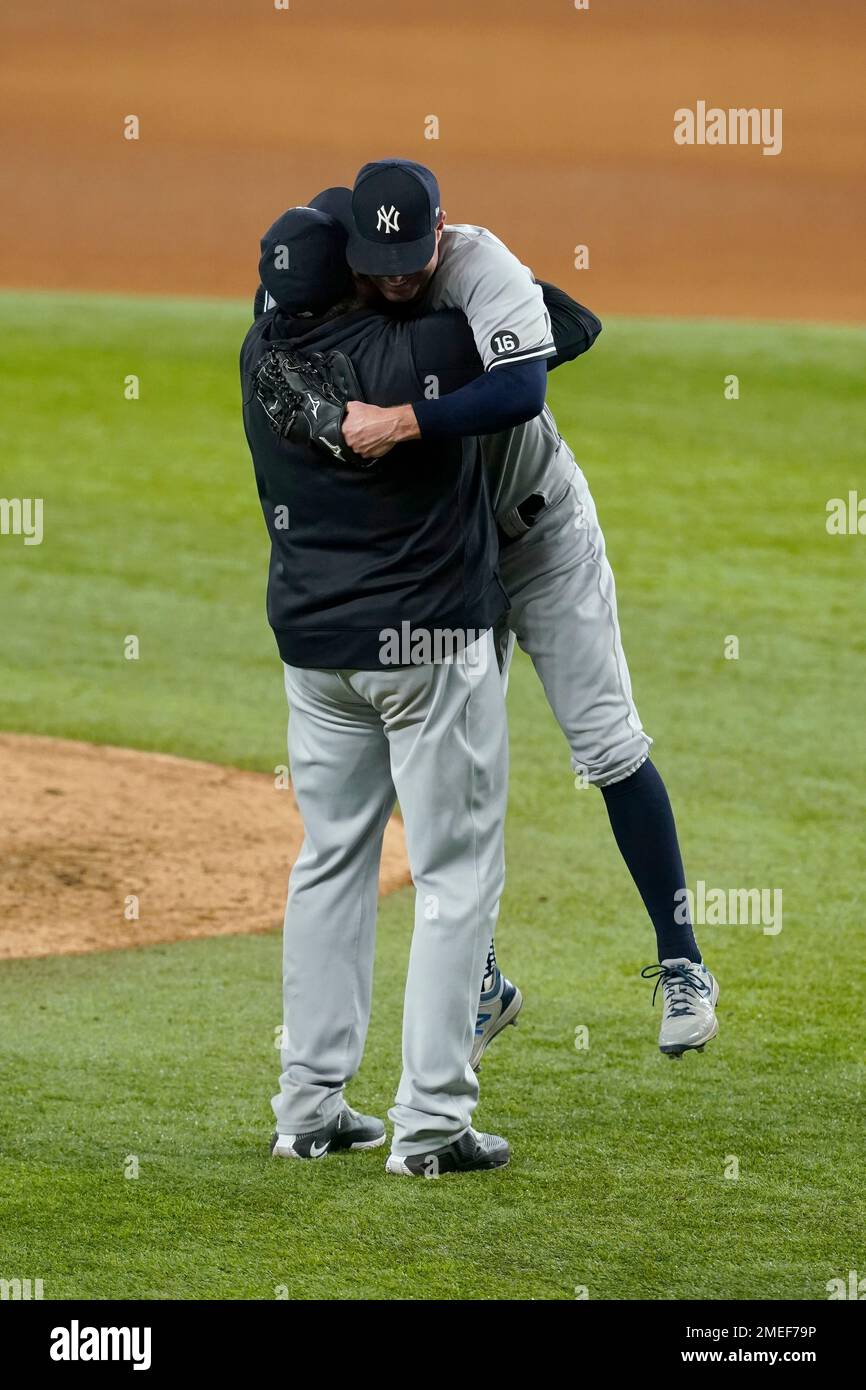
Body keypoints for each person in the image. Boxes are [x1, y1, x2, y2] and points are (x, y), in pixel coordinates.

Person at [337, 160, 720, 1059]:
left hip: (542, 541)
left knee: (610, 747)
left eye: (409, 254)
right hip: (452, 567)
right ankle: (483, 984)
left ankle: (681, 963)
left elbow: (522, 390)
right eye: (376, 258)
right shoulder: (348, 280)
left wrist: (401, 421)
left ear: (441, 230)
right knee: (454, 779)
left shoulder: (480, 265)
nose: (394, 275)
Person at [241, 205, 524, 1176]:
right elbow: (557, 333)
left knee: (329, 861)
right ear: (355, 277)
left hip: (314, 654)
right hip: (424, 648)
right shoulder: (423, 352)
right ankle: (432, 1124)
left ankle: (308, 1108)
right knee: (453, 878)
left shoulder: (260, 352)